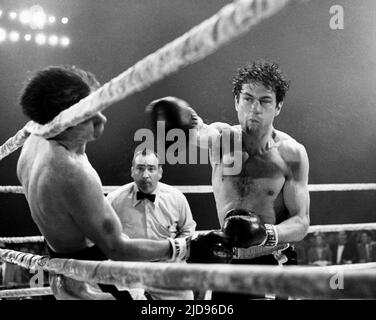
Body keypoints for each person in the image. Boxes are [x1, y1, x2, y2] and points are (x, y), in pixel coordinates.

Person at [16, 65, 233, 300]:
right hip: (98, 280)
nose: (102, 117)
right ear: (66, 119)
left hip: (69, 271)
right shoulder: (71, 173)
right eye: (92, 111)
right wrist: (186, 246)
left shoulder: (34, 139)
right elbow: (117, 249)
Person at [147, 60, 310, 299]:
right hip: (227, 258)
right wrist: (180, 119)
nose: (254, 108)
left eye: (265, 100)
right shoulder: (222, 139)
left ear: (278, 107)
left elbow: (301, 222)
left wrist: (267, 233)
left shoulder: (291, 153)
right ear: (236, 101)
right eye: (247, 98)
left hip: (272, 261)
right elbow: (200, 131)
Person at [107, 149, 196, 300]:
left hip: (168, 269)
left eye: (151, 169)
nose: (145, 175)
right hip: (130, 272)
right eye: (140, 168)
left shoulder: (176, 198)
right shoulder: (114, 200)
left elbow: (188, 232)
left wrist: (173, 255)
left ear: (160, 172)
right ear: (132, 171)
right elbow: (105, 236)